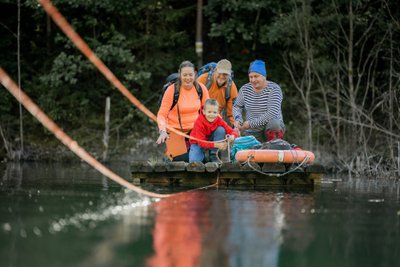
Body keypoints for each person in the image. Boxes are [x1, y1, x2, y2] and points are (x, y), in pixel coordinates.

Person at [156, 60, 209, 161]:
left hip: (195, 132)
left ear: (195, 74)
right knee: (179, 160)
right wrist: (162, 131)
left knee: (199, 161)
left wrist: (227, 129)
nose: (188, 78)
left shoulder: (201, 89)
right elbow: (162, 114)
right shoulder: (172, 90)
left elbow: (210, 112)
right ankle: (171, 156)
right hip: (175, 132)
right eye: (185, 75)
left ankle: (209, 157)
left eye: (190, 75)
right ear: (180, 74)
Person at [233, 59, 285, 143]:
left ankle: (275, 146)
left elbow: (272, 113)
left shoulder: (274, 89)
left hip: (269, 128)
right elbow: (237, 106)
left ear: (264, 76)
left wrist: (250, 124)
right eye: (250, 77)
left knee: (274, 123)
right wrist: (238, 119)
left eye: (256, 76)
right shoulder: (245, 89)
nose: (253, 80)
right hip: (252, 131)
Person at [189, 99, 238, 163]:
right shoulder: (199, 122)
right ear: (204, 111)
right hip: (198, 143)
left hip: (210, 140)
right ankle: (203, 156)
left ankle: (214, 154)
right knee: (194, 162)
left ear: (218, 113)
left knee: (221, 130)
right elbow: (201, 142)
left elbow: (232, 131)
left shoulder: (219, 120)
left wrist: (233, 136)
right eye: (209, 112)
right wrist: (216, 145)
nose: (212, 115)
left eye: (214, 112)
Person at [197, 59, 238, 126]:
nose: (221, 76)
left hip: (216, 119)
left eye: (225, 74)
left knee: (221, 131)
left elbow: (233, 112)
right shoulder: (203, 79)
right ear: (215, 70)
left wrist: (235, 126)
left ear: (229, 75)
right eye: (219, 73)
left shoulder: (231, 87)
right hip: (199, 117)